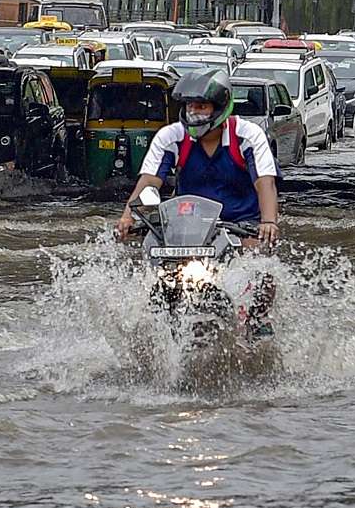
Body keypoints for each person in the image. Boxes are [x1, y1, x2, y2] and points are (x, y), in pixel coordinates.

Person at [115, 68, 280, 335]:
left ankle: (258, 323)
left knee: (261, 270)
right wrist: (127, 218)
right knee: (160, 276)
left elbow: (265, 182)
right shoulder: (171, 136)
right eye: (190, 106)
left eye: (202, 106)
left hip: (241, 227)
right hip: (188, 229)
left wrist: (268, 222)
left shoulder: (248, 136)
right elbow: (149, 181)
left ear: (220, 107)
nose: (194, 113)